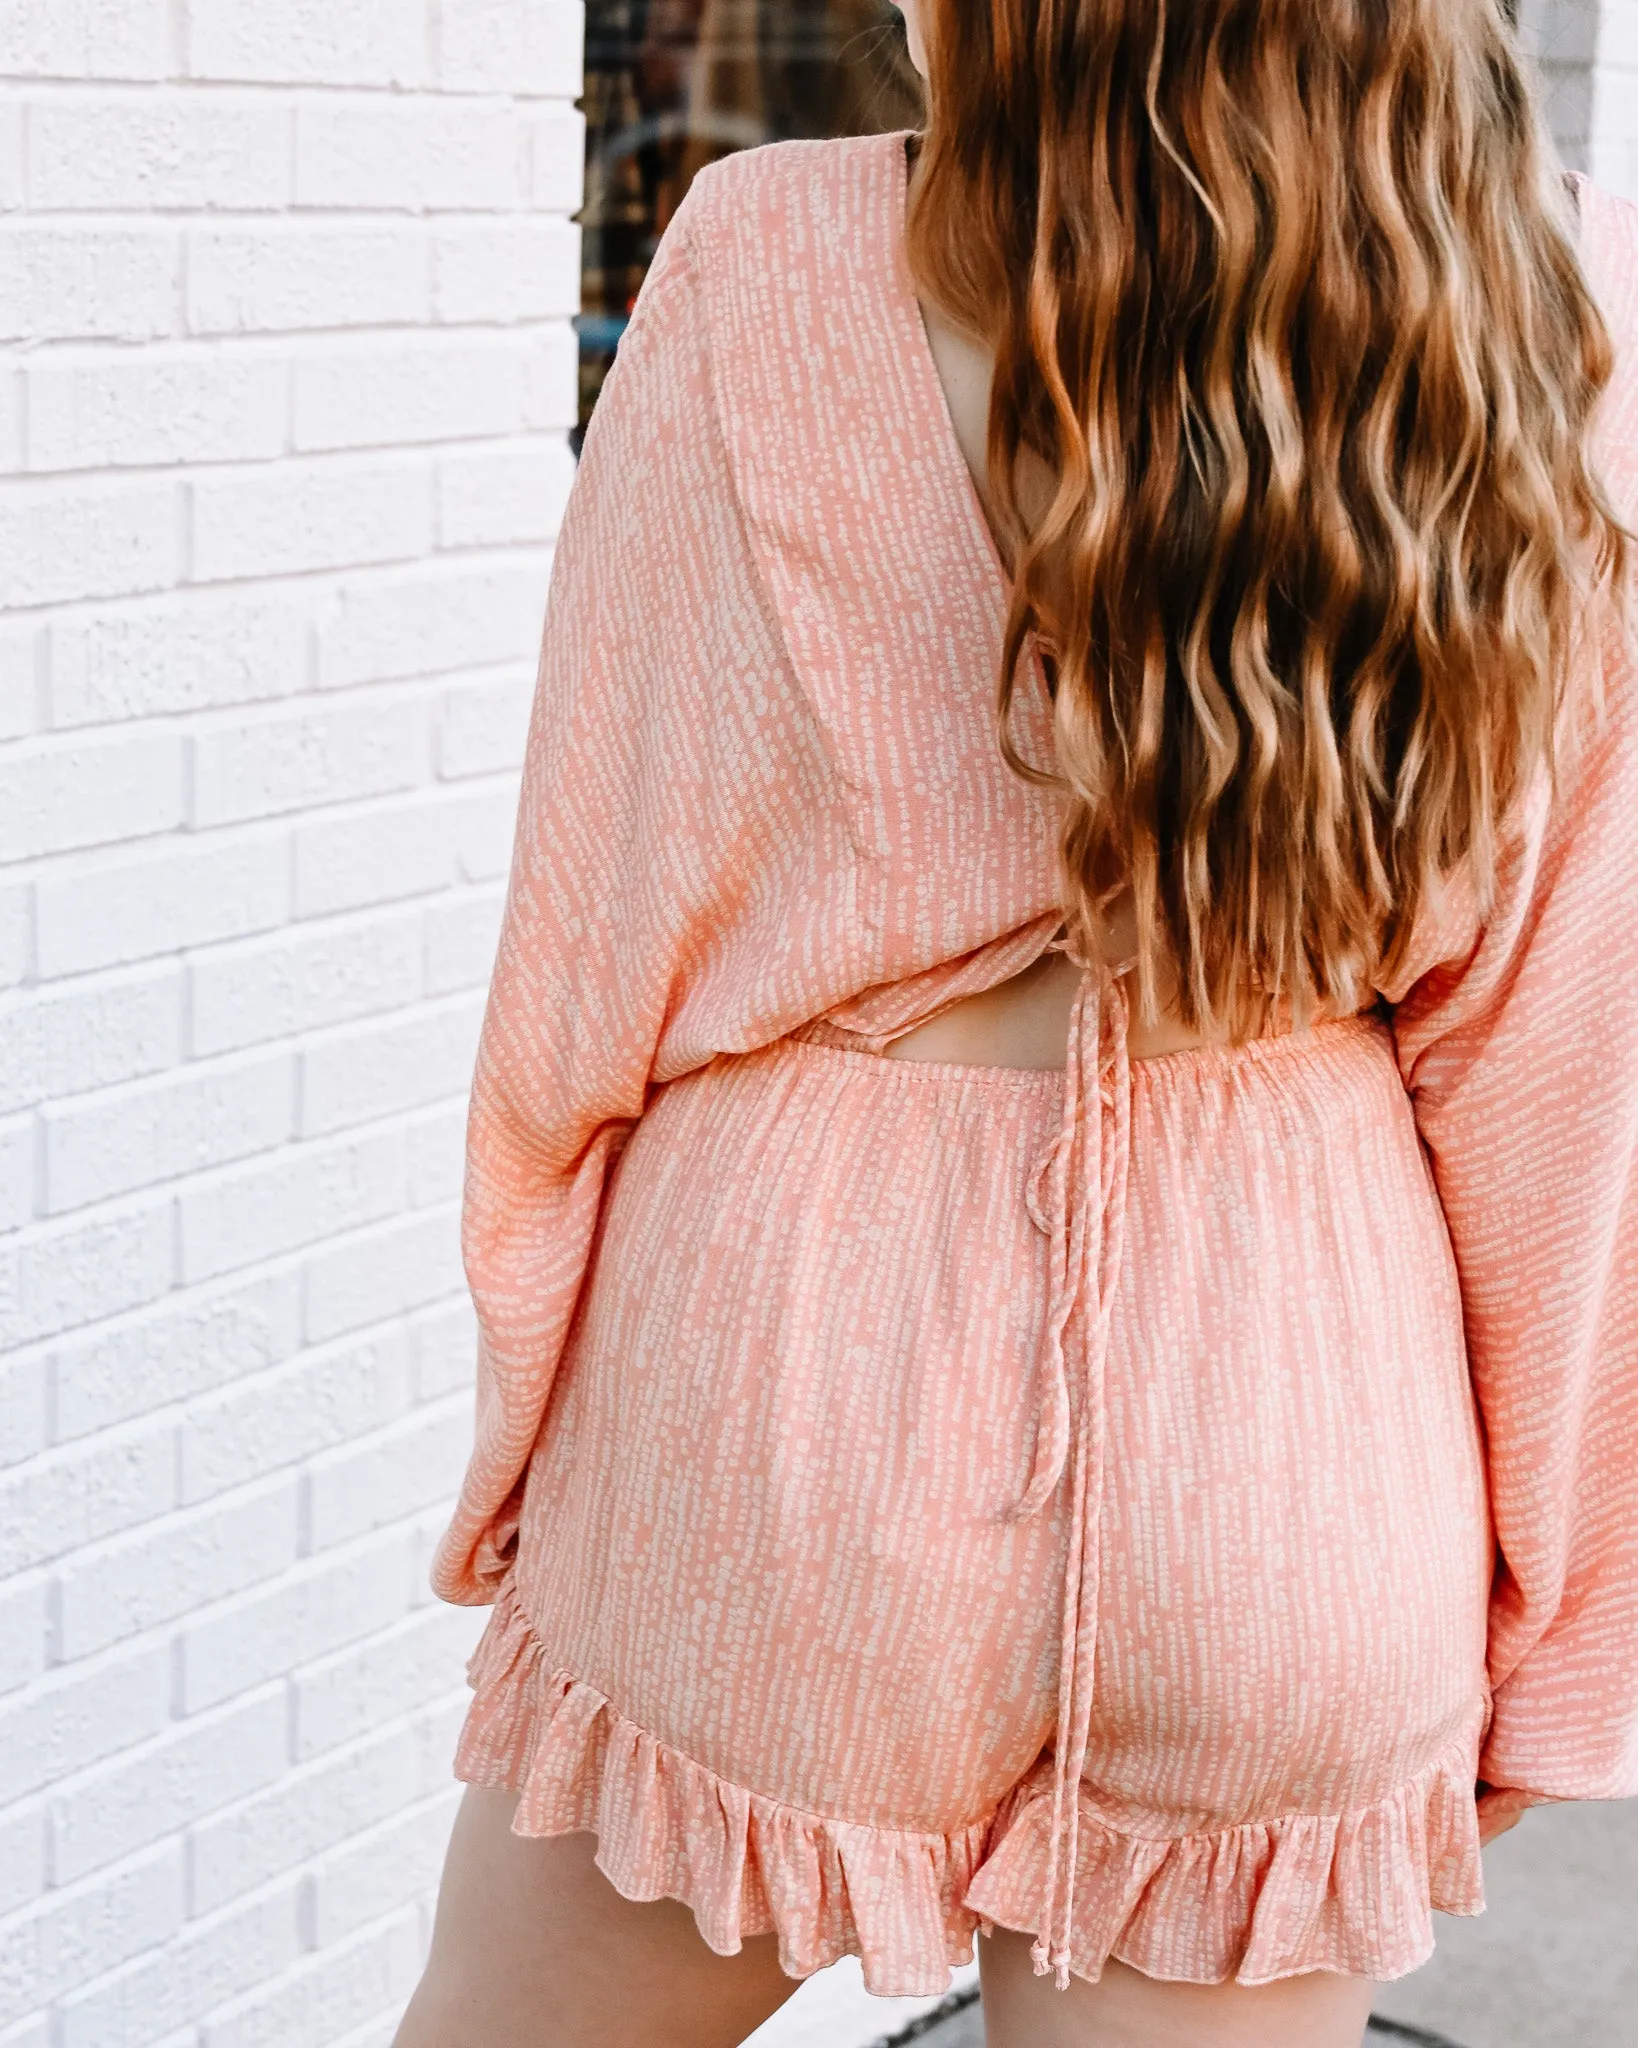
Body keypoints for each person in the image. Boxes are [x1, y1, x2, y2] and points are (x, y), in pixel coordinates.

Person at [393, 2, 1638, 2042]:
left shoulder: (765, 257)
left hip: (788, 1353)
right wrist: (1547, 1611)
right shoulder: (1565, 294)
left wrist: (538, 1426)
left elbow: (596, 936)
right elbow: (1562, 1069)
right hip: (1300, 1402)